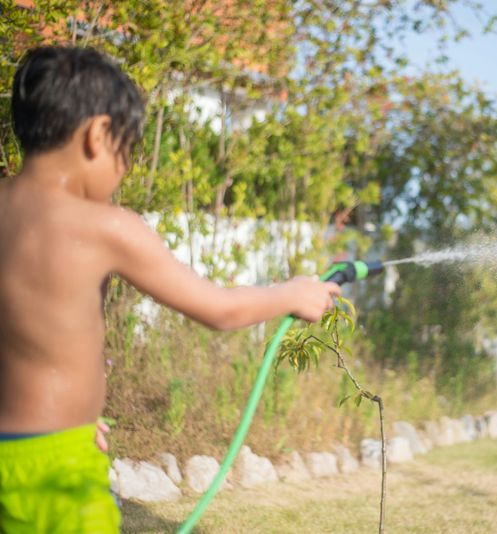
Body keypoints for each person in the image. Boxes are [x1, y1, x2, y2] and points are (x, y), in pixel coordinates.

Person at [0, 46, 341, 533]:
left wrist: (59, 414)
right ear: (98, 135)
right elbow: (218, 309)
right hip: (60, 469)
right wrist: (291, 294)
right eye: (128, 151)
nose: (127, 169)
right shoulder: (106, 226)